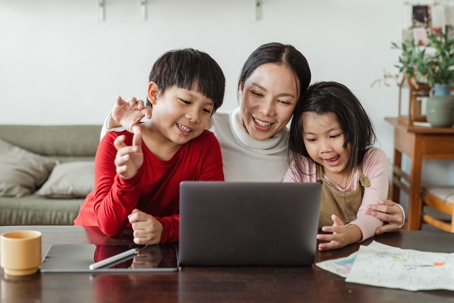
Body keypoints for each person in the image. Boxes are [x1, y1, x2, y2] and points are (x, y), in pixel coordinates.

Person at [102, 42, 405, 234]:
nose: (267, 111)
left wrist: (387, 214)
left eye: (284, 101)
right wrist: (116, 123)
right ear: (240, 86)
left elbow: (341, 192)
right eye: (257, 94)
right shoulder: (203, 126)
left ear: (298, 107)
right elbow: (135, 146)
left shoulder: (306, 152)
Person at [74, 48, 226, 245]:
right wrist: (127, 179)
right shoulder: (116, 142)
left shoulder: (206, 145)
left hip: (154, 242)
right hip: (95, 237)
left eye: (206, 109)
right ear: (154, 94)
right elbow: (109, 226)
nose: (194, 117)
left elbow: (210, 215)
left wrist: (164, 229)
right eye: (186, 101)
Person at [284, 81, 390, 251]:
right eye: (312, 139)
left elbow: (373, 216)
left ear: (354, 128)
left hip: (366, 253)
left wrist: (348, 234)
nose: (325, 148)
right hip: (319, 252)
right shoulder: (302, 166)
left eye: (334, 136)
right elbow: (282, 205)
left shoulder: (373, 160)